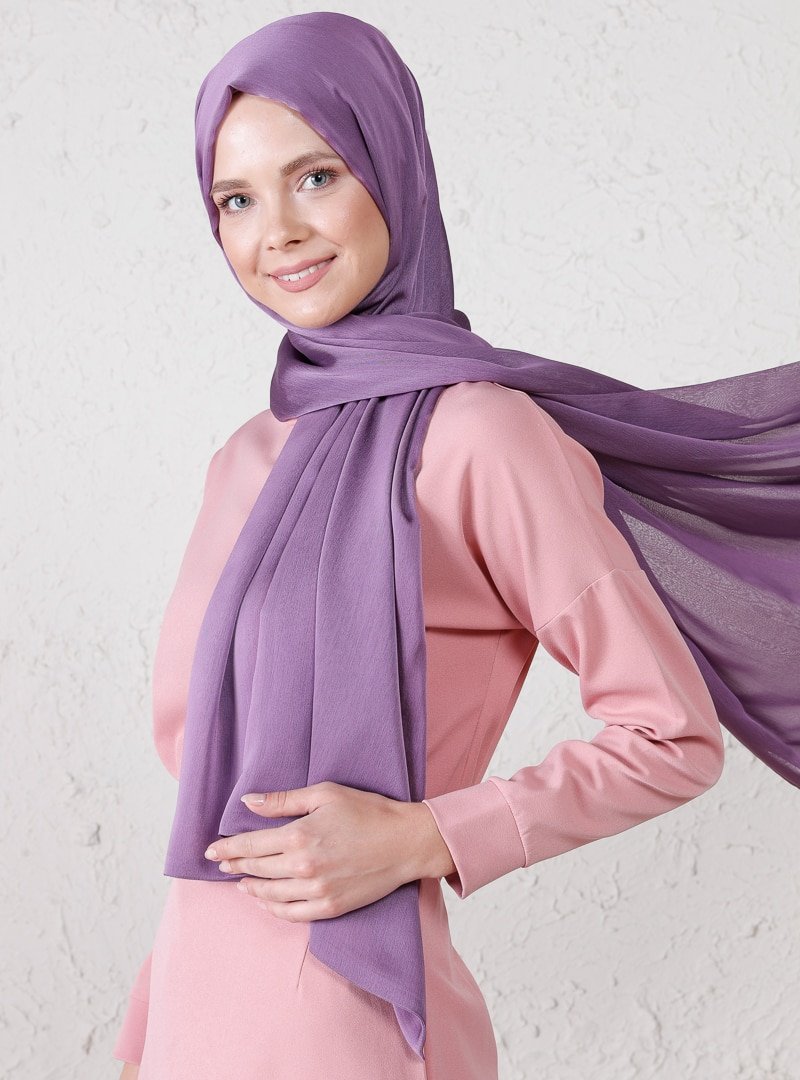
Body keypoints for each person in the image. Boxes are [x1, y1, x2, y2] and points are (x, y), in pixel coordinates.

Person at [114, 13, 798, 1079]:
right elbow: (209, 807)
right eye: (235, 199)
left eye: (316, 176)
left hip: (345, 1019)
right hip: (189, 1003)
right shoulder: (245, 455)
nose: (277, 232)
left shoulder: (483, 436)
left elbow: (670, 734)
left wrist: (424, 836)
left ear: (392, 166)